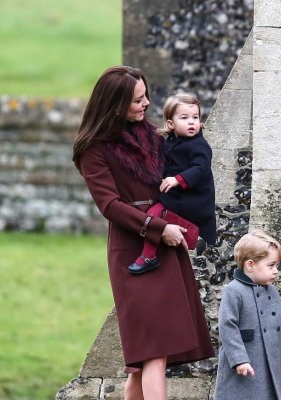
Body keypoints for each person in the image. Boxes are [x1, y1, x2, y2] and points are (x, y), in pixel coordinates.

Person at [72, 66, 215, 400]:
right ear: (116, 102)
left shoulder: (152, 135)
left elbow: (190, 166)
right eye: (138, 99)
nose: (147, 104)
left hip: (167, 241)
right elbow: (109, 205)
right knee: (153, 350)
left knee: (149, 355)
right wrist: (157, 227)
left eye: (146, 96)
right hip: (133, 249)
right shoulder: (94, 148)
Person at [214, 230, 281, 400]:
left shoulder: (270, 291)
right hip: (244, 366)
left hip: (268, 367)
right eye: (271, 265)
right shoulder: (233, 291)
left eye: (277, 266)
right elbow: (227, 326)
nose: (276, 271)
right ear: (250, 265)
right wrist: (239, 359)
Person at [128, 93, 216, 274]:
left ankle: (148, 256)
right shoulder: (171, 142)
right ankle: (185, 239)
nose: (192, 122)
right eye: (184, 118)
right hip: (179, 195)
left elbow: (201, 168)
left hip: (193, 197)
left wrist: (178, 179)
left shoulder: (199, 145)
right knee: (154, 214)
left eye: (196, 117)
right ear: (171, 124)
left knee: (153, 216)